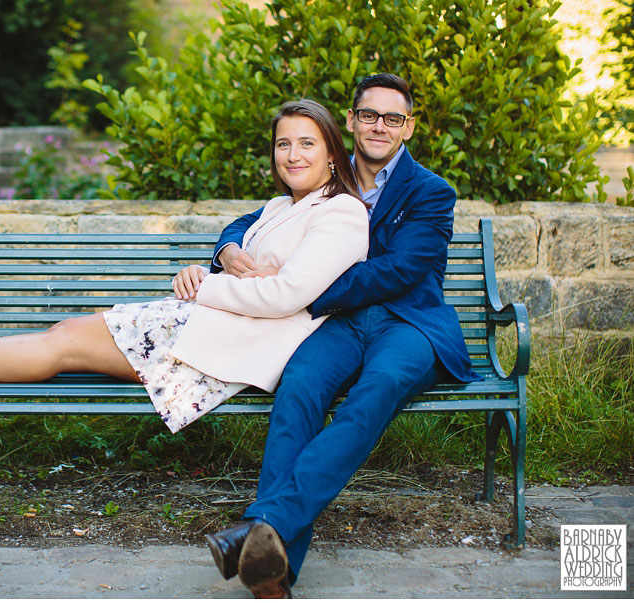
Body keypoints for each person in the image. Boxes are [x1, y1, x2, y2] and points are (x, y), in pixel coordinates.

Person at [0, 99, 369, 435]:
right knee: (65, 334)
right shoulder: (280, 207)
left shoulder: (342, 212)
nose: (292, 154)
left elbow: (286, 296)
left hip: (230, 349)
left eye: (307, 143)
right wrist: (207, 270)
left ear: (331, 153)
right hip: (209, 325)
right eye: (283, 143)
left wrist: (204, 292)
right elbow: (250, 272)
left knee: (63, 344)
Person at [203, 74, 481, 598]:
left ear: (409, 128)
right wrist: (228, 250)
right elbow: (252, 218)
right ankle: (274, 575)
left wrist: (298, 284)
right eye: (368, 115)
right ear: (350, 121)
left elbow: (399, 271)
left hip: (409, 324)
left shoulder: (431, 193)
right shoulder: (328, 174)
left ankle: (264, 528)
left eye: (392, 118)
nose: (379, 126)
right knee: (300, 386)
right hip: (339, 325)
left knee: (373, 395)